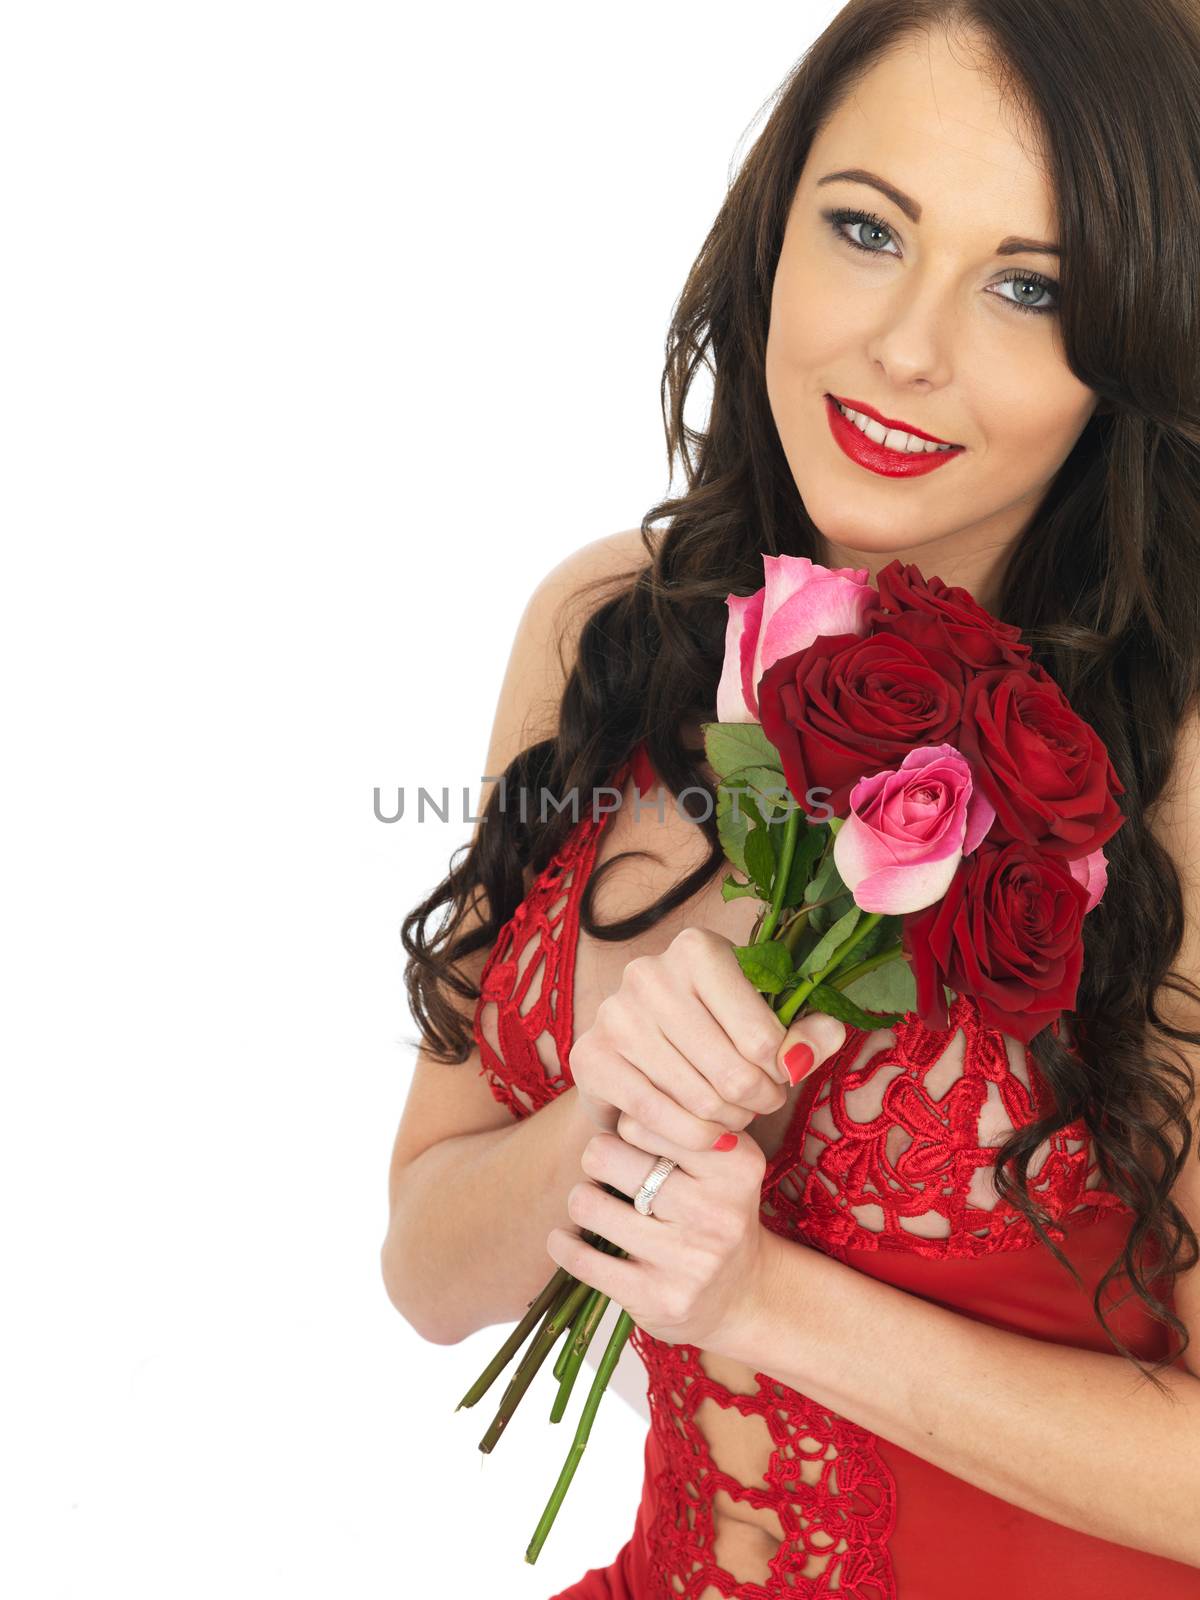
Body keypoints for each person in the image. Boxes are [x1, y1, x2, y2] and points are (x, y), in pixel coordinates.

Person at [380, 1, 1200, 1592]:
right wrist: (605, 1136)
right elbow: (425, 1264)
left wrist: (758, 1300)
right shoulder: (602, 635)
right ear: (772, 229)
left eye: (1032, 287)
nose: (906, 348)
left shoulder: (1176, 781)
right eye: (866, 229)